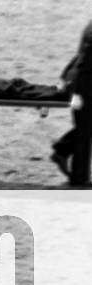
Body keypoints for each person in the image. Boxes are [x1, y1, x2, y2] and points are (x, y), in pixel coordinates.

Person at [52, 20, 92, 186]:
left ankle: (62, 150)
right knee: (84, 130)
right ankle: (79, 179)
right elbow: (83, 61)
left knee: (86, 127)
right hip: (83, 85)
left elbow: (79, 57)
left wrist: (65, 76)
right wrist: (74, 90)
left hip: (82, 81)